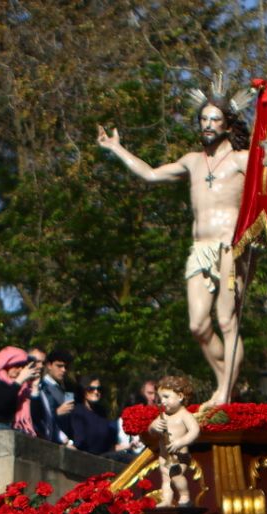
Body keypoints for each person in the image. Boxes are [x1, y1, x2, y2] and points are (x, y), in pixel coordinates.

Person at [98, 89, 252, 405]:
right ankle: (228, 383)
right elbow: (152, 174)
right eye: (204, 119)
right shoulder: (192, 162)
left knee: (227, 320)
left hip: (231, 244)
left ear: (227, 125)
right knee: (198, 324)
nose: (208, 124)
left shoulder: (241, 160)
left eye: (215, 119)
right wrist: (117, 149)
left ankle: (223, 393)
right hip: (201, 247)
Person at [145, 376, 201, 507]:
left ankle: (185, 497)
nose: (162, 402)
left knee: (176, 475)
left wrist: (180, 442)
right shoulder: (163, 415)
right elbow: (151, 431)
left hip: (179, 456)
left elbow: (195, 431)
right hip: (164, 456)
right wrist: (154, 427)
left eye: (166, 397)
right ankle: (167, 500)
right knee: (166, 478)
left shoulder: (184, 415)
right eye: (160, 398)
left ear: (180, 396)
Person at [0, 347, 36, 432]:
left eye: (23, 366)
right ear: (4, 365)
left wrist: (35, 388)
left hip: (19, 433)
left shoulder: (24, 388)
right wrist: (18, 382)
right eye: (17, 365)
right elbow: (1, 404)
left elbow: (36, 414)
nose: (20, 369)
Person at [67, 378, 116, 455]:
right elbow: (79, 441)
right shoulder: (78, 411)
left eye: (99, 389)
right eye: (91, 389)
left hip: (103, 457)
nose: (96, 392)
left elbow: (110, 443)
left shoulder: (102, 413)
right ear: (84, 391)